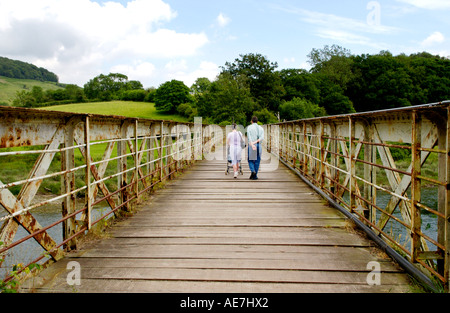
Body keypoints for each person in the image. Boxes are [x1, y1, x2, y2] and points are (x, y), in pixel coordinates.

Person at [247, 116, 264, 180]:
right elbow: (261, 138)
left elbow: (249, 137)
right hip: (259, 145)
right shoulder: (261, 128)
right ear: (257, 121)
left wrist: (252, 144)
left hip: (252, 145)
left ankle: (253, 171)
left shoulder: (249, 127)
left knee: (250, 160)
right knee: (257, 160)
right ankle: (255, 176)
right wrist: (256, 142)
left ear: (251, 121)